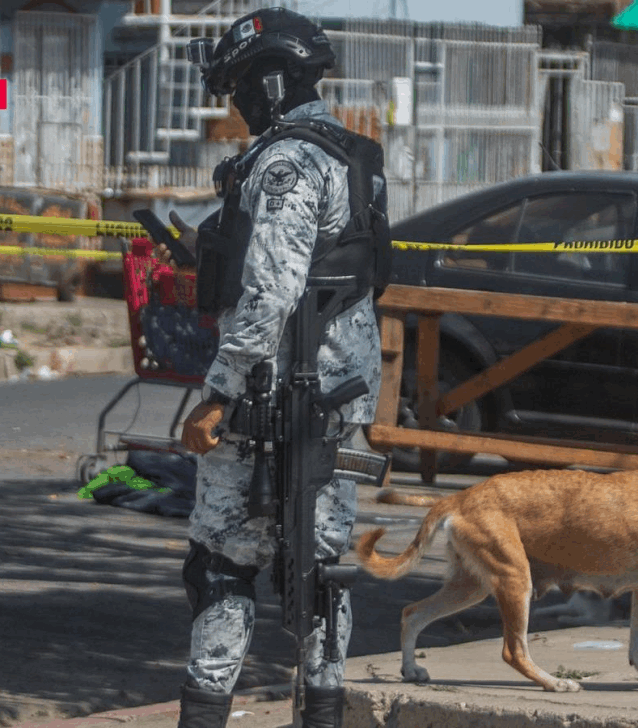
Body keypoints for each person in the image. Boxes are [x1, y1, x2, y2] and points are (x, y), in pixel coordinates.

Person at [155, 8, 387, 728]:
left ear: (273, 82)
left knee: (223, 569)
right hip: (340, 405)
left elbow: (270, 293)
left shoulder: (283, 164)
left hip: (267, 406)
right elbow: (324, 266)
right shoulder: (352, 156)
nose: (237, 104)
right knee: (321, 575)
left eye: (241, 87)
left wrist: (217, 397)